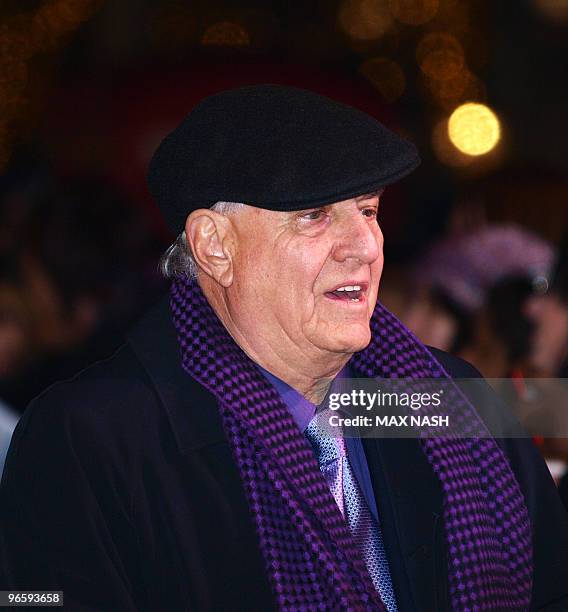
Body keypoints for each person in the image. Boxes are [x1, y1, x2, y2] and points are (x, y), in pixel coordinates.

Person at [1, 85, 567, 611]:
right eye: (315, 215)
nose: (365, 246)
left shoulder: (446, 398)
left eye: (369, 210)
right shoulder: (91, 437)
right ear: (214, 246)